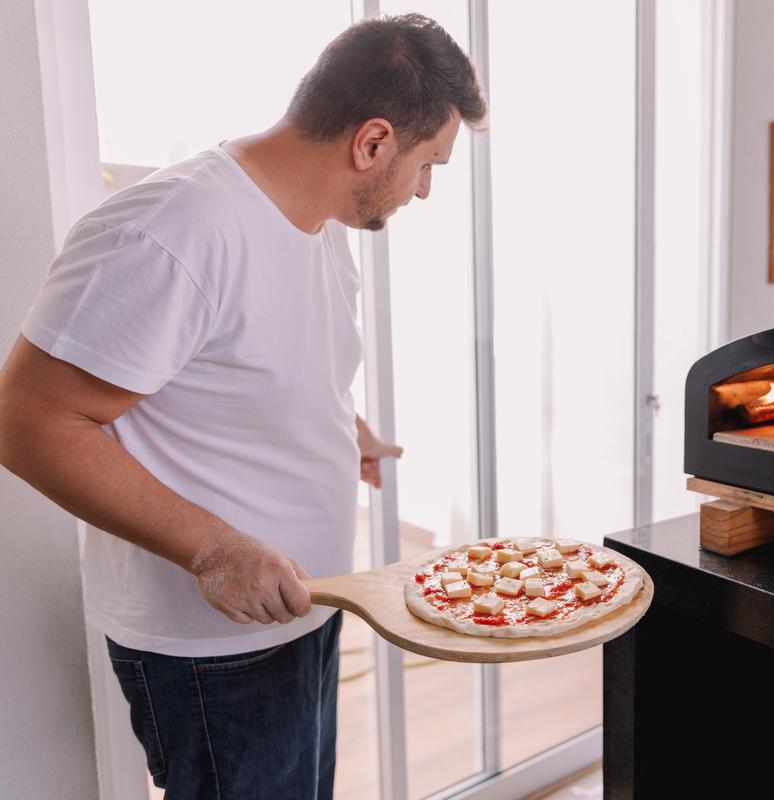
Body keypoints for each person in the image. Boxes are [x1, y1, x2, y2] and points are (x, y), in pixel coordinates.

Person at [0, 13, 486, 799]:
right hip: (213, 653)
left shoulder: (316, 225)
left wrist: (338, 431)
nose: (424, 190)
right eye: (427, 164)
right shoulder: (175, 230)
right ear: (372, 142)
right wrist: (213, 549)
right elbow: (28, 424)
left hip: (308, 608)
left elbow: (256, 364)